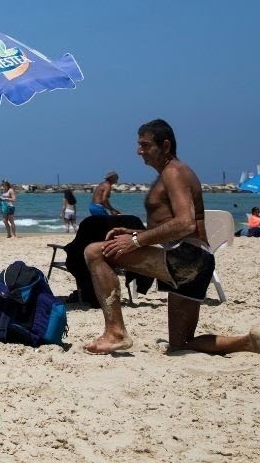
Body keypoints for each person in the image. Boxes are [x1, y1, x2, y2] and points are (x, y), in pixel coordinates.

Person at [82, 119, 260, 355]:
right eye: (139, 145)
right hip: (200, 260)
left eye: (145, 145)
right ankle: (249, 342)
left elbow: (185, 223)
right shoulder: (175, 172)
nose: (139, 151)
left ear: (165, 146)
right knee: (181, 345)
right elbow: (177, 223)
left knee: (95, 252)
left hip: (186, 258)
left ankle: (115, 332)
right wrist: (138, 233)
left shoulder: (173, 172)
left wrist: (136, 241)